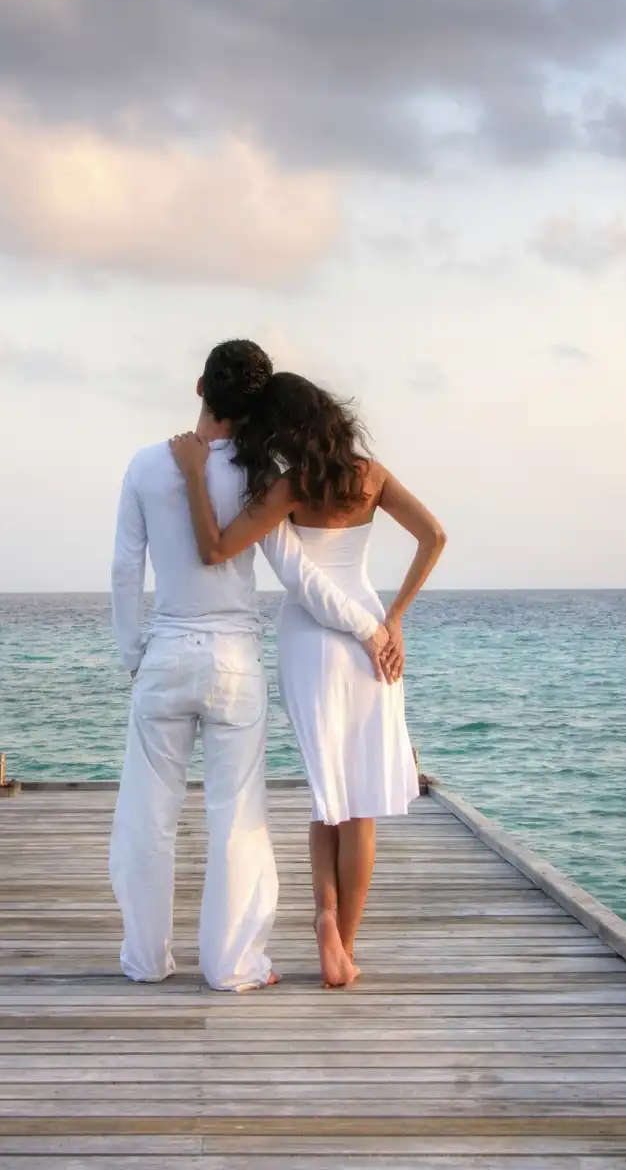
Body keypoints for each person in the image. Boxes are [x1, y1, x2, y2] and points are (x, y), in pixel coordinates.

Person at [109, 341, 397, 992]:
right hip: (235, 662)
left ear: (199, 388)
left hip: (165, 654)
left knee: (147, 818)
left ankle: (146, 961)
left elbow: (126, 569)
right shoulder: (261, 472)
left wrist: (134, 654)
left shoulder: (146, 465)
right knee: (237, 815)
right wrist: (368, 626)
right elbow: (297, 570)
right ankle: (233, 966)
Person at [170, 371, 446, 988]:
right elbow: (435, 535)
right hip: (370, 638)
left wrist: (192, 473)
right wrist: (395, 617)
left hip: (309, 642)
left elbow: (214, 549)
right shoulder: (369, 475)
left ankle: (322, 916)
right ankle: (344, 946)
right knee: (363, 806)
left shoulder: (286, 487)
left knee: (329, 794)